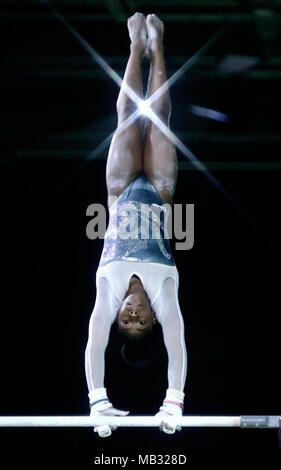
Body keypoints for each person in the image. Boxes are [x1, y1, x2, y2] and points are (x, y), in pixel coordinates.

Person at [85, 13, 187, 438]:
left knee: (127, 111)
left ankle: (133, 44)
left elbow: (94, 345)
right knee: (160, 115)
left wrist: (97, 399)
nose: (132, 316)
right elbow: (177, 348)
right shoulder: (166, 297)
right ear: (153, 321)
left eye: (126, 323)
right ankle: (157, 44)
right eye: (141, 323)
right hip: (160, 193)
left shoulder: (107, 295)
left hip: (119, 191)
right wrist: (174, 399)